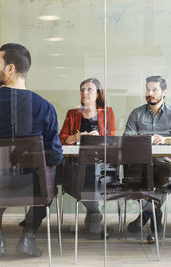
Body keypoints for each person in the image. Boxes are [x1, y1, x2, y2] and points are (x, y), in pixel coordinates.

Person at [0, 43, 63, 257]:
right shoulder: (44, 107)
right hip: (30, 186)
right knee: (51, 177)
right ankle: (28, 234)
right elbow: (55, 155)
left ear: (10, 69)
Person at [124, 75, 171, 235]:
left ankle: (146, 214)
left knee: (167, 171)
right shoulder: (136, 113)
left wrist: (165, 139)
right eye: (147, 89)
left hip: (165, 163)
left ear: (164, 92)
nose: (150, 93)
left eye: (154, 90)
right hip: (140, 162)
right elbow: (126, 138)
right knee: (133, 173)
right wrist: (144, 139)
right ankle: (155, 213)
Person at [59, 78, 116, 233]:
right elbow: (61, 139)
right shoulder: (72, 114)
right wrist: (74, 138)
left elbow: (112, 139)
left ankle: (92, 211)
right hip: (76, 163)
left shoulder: (107, 113)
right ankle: (94, 211)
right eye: (82, 89)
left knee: (91, 171)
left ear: (98, 93)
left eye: (89, 89)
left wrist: (99, 136)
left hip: (100, 163)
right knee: (81, 172)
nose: (84, 92)